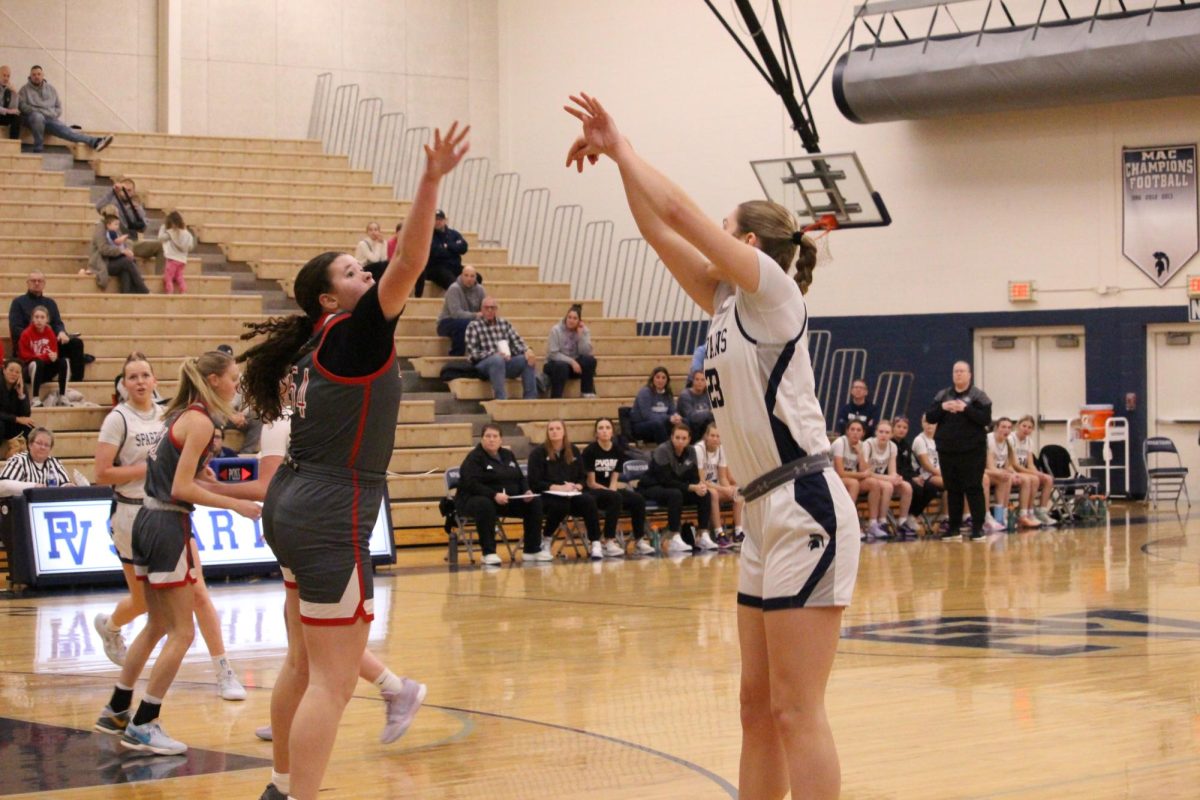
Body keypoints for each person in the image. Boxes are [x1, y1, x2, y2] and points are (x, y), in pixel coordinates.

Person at [565, 92, 861, 798]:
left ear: (748, 246)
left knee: (796, 710)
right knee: (755, 711)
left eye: (726, 230)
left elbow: (679, 215)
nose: (714, 236)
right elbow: (659, 231)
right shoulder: (727, 302)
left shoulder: (775, 293)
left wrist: (624, 142)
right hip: (763, 514)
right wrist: (616, 163)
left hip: (805, 504)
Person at [237, 122, 467, 800]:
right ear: (328, 300)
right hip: (333, 506)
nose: (363, 271)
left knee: (305, 665)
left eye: (358, 265)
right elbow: (409, 263)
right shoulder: (358, 335)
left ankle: (280, 784)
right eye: (348, 271)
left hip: (292, 505)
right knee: (333, 683)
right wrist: (429, 180)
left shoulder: (312, 348)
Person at [206, 405, 425, 747]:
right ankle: (303, 712)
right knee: (305, 643)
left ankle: (394, 689)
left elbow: (267, 486)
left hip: (318, 534)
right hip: (306, 529)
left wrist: (213, 489)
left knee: (320, 642)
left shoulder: (281, 421)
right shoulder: (304, 416)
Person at [92, 351, 261, 756]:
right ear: (216, 380)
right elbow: (182, 489)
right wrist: (235, 505)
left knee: (154, 624)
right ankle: (145, 722)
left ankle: (117, 708)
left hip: (147, 520)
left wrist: (209, 481)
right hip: (167, 524)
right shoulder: (200, 421)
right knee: (181, 632)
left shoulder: (182, 413)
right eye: (233, 379)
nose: (236, 385)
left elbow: (177, 474)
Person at [456, 424, 546, 565]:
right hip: (475, 500)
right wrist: (493, 495)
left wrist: (526, 491)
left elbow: (520, 478)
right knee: (484, 504)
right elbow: (470, 484)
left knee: (534, 502)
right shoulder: (474, 458)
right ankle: (488, 552)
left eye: (495, 436)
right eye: (488, 436)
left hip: (506, 500)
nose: (491, 440)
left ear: (500, 440)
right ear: (482, 439)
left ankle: (532, 549)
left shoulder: (507, 455)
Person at [927, 361, 992, 541]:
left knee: (973, 487)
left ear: (969, 374)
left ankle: (978, 528)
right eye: (956, 371)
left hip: (972, 449)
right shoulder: (943, 395)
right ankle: (954, 528)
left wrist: (966, 409)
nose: (958, 374)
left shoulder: (979, 396)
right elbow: (930, 417)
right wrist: (943, 408)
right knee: (952, 488)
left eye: (962, 371)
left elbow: (985, 419)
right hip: (947, 448)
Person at [527, 419, 604, 558]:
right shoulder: (537, 453)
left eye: (558, 428)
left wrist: (577, 486)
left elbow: (582, 476)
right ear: (547, 433)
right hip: (547, 495)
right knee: (560, 505)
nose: (554, 431)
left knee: (589, 501)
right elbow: (534, 482)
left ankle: (596, 542)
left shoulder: (573, 450)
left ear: (564, 432)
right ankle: (547, 539)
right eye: (551, 429)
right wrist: (557, 487)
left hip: (571, 494)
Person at [637, 423, 714, 553]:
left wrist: (699, 486)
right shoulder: (662, 450)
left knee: (705, 494)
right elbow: (666, 481)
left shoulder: (691, 451)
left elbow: (694, 476)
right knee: (675, 494)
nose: (680, 441)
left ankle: (702, 535)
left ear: (689, 439)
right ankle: (674, 537)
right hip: (652, 487)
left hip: (676, 488)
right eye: (677, 437)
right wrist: (691, 487)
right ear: (671, 437)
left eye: (684, 438)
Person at [582, 417, 651, 555]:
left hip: (610, 490)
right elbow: (591, 482)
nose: (604, 431)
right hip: (593, 491)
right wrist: (610, 492)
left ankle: (639, 540)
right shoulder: (590, 451)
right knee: (615, 498)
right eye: (601, 428)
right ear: (596, 433)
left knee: (637, 499)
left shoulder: (617, 450)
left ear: (612, 432)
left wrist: (612, 489)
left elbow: (615, 478)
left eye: (607, 428)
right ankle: (609, 541)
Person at [8, 272, 88, 383]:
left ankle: (77, 381)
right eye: (33, 281)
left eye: (39, 281)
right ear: (27, 283)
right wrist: (37, 336)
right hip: (30, 346)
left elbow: (57, 323)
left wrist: (61, 332)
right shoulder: (18, 302)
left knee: (76, 343)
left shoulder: (50, 303)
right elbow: (16, 328)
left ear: (44, 284)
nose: (36, 283)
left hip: (50, 344)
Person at [18, 65, 112, 153]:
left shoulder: (51, 89)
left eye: (39, 74)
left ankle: (95, 141)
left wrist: (52, 114)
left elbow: (58, 108)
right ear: (30, 76)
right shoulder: (24, 90)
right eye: (34, 74)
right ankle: (38, 147)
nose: (36, 76)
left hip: (49, 119)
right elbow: (22, 107)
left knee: (66, 131)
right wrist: (42, 112)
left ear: (43, 75)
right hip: (32, 119)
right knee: (37, 117)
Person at [464, 297, 537, 400]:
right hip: (484, 365)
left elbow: (517, 342)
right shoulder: (473, 326)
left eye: (492, 308)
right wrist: (494, 354)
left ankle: (530, 400)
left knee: (528, 358)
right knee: (497, 360)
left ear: (496, 309)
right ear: (481, 309)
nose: (490, 310)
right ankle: (501, 400)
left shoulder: (504, 324)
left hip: (505, 362)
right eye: (487, 308)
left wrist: (527, 350)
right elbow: (473, 353)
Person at [860, 419, 915, 539]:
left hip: (881, 478)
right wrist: (889, 478)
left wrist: (896, 478)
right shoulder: (868, 444)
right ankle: (881, 522)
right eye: (881, 431)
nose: (883, 435)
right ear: (876, 432)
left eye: (886, 432)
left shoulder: (892, 447)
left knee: (907, 487)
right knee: (888, 486)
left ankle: (902, 522)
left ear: (891, 434)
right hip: (867, 479)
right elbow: (865, 472)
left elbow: (892, 471)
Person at [693, 422, 744, 548]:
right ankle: (719, 534)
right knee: (714, 494)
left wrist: (729, 490)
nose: (715, 439)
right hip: (699, 487)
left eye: (718, 436)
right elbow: (702, 480)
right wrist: (723, 489)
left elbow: (722, 476)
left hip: (714, 486)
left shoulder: (722, 449)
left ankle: (738, 531)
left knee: (738, 492)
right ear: (706, 436)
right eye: (712, 435)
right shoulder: (698, 449)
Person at [1010, 415, 1056, 527]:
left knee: (1048, 479)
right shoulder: (1011, 439)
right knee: (1033, 478)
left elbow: (1030, 464)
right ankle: (1025, 513)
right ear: (1018, 426)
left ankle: (1041, 511)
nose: (1026, 429)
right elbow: (1015, 464)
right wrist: (1034, 473)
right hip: (1012, 469)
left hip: (1024, 470)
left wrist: (1038, 473)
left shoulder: (1029, 441)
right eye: (1024, 426)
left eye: (1030, 427)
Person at [89, 212, 150, 294]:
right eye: (115, 213)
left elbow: (126, 242)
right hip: (104, 262)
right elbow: (103, 249)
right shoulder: (101, 228)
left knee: (126, 268)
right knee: (127, 262)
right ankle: (144, 290)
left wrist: (128, 251)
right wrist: (122, 251)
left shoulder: (115, 228)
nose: (118, 215)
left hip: (115, 259)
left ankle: (126, 295)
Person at [544, 304, 597, 398]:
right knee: (561, 366)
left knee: (590, 360)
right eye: (569, 317)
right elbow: (553, 354)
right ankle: (556, 397)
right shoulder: (556, 330)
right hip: (555, 364)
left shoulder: (584, 331)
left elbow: (585, 353)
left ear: (579, 321)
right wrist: (572, 362)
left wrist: (581, 337)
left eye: (575, 318)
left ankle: (586, 392)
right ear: (566, 318)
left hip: (574, 367)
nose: (571, 320)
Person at [18, 306, 68, 403]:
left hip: (45, 369)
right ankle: (35, 398)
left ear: (47, 320)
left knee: (63, 361)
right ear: (32, 318)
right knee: (38, 363)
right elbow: (24, 356)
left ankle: (62, 396)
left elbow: (54, 352)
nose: (39, 320)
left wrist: (54, 357)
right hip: (30, 369)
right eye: (36, 317)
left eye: (42, 317)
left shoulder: (50, 333)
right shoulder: (26, 333)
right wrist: (45, 357)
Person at [416, 209, 468, 297]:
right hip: (436, 268)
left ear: (445, 220)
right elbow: (436, 252)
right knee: (452, 282)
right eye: (435, 220)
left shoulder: (454, 234)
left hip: (455, 266)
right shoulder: (427, 235)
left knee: (476, 277)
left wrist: (448, 246)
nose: (438, 222)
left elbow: (464, 247)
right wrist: (454, 251)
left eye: (440, 219)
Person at [983, 417, 1023, 531]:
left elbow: (1007, 465)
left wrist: (1014, 473)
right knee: (1001, 477)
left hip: (995, 473)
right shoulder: (989, 439)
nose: (1006, 430)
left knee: (1007, 478)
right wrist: (1004, 473)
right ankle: (986, 517)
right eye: (1003, 427)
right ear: (996, 428)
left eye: (1009, 427)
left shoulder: (1008, 442)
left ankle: (1001, 516)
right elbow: (990, 466)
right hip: (983, 472)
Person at [436, 265, 485, 357]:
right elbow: (456, 314)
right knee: (464, 324)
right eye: (466, 275)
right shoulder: (454, 288)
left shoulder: (480, 290)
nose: (469, 279)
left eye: (472, 276)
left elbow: (484, 310)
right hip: (446, 322)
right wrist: (475, 315)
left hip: (469, 321)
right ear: (461, 276)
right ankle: (456, 355)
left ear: (475, 278)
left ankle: (482, 355)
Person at [831, 419, 871, 531]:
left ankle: (875, 522)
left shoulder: (863, 445)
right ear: (847, 431)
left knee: (875, 484)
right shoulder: (840, 443)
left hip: (850, 478)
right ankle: (849, 520)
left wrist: (860, 453)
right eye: (852, 429)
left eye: (859, 430)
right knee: (854, 483)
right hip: (832, 478)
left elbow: (865, 471)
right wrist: (862, 474)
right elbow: (840, 472)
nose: (855, 432)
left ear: (863, 433)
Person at [0, 427, 70, 485]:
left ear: (50, 449)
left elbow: (65, 484)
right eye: (39, 443)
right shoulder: (18, 460)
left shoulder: (55, 463)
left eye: (47, 445)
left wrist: (68, 486)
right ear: (30, 444)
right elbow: (3, 485)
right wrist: (33, 486)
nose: (43, 447)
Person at [630, 366, 680, 444]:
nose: (660, 380)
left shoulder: (668, 393)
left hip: (661, 423)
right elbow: (647, 416)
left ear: (667, 380)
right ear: (652, 379)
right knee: (657, 425)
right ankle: (666, 452)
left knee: (683, 422)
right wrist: (668, 418)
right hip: (641, 425)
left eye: (664, 378)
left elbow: (672, 411)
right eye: (658, 377)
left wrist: (676, 417)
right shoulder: (645, 392)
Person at [911, 415, 946, 523]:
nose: (929, 424)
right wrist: (944, 475)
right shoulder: (919, 440)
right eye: (926, 422)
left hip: (938, 474)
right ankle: (946, 519)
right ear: (922, 424)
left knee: (958, 485)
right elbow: (926, 465)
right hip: (924, 476)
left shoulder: (939, 439)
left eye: (932, 422)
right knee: (952, 483)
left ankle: (953, 518)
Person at [158, 211, 196, 294]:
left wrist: (163, 228)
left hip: (172, 259)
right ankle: (183, 290)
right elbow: (190, 246)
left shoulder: (172, 233)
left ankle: (170, 291)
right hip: (182, 260)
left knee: (168, 277)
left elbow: (161, 239)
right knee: (179, 276)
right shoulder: (187, 234)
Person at [0, 359, 34, 445]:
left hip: (10, 424)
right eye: (11, 370)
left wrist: (21, 395)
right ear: (4, 370)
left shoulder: (21, 387)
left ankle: (28, 457)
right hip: (3, 423)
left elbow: (26, 414)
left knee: (30, 428)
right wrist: (16, 419)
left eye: (17, 372)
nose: (14, 374)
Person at [677, 368, 715, 441]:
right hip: (690, 428)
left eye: (702, 380)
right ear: (692, 381)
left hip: (704, 427)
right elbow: (691, 417)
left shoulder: (708, 395)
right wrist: (708, 412)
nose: (699, 382)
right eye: (697, 379)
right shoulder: (685, 395)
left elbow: (713, 413)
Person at [0, 65, 20, 140]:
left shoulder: (9, 88)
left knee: (17, 116)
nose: (6, 78)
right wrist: (8, 111)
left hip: (3, 116)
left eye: (8, 76)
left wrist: (15, 93)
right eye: (4, 75)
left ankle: (13, 142)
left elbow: (14, 109)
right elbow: (9, 110)